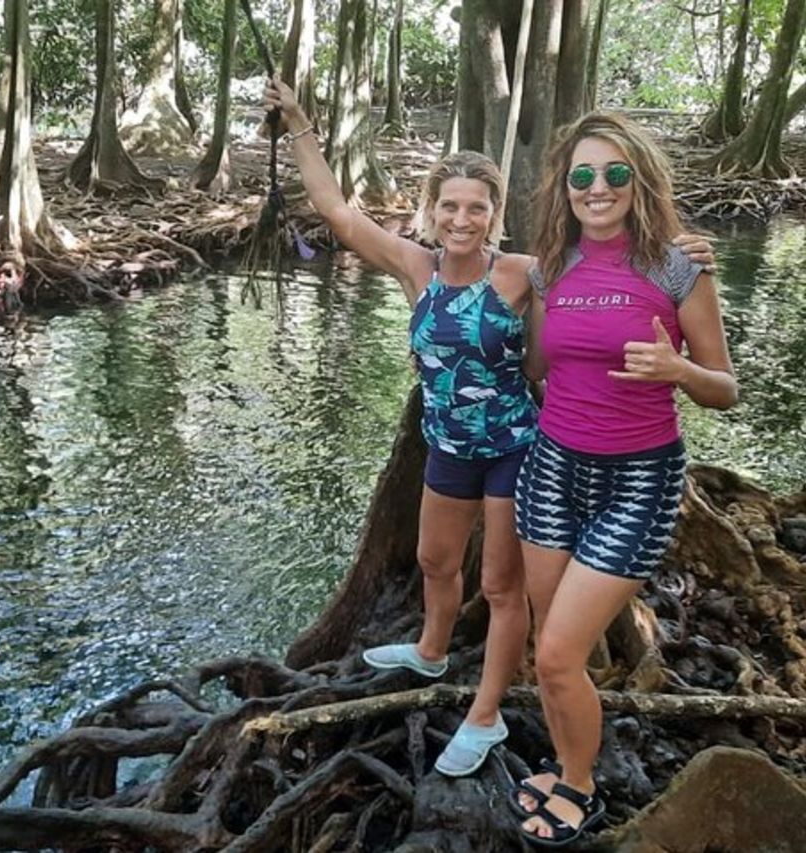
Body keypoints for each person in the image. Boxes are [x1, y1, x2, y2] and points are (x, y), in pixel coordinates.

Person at [262, 78, 716, 778]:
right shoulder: (417, 268)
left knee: (503, 588)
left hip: (516, 448)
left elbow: (610, 266)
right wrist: (298, 126)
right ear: (432, 211)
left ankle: (487, 711)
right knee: (435, 562)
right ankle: (433, 648)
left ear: (497, 213)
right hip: (447, 446)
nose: (462, 219)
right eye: (450, 206)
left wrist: (678, 250)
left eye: (477, 207)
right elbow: (335, 211)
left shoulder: (528, 273)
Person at [510, 111, 737, 846]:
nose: (597, 188)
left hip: (639, 479)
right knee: (551, 644)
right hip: (550, 469)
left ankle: (582, 788)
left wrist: (679, 369)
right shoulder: (551, 266)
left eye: (613, 173)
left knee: (556, 653)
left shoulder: (676, 266)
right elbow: (539, 367)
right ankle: (567, 759)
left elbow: (724, 388)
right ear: (564, 189)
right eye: (582, 176)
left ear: (639, 180)